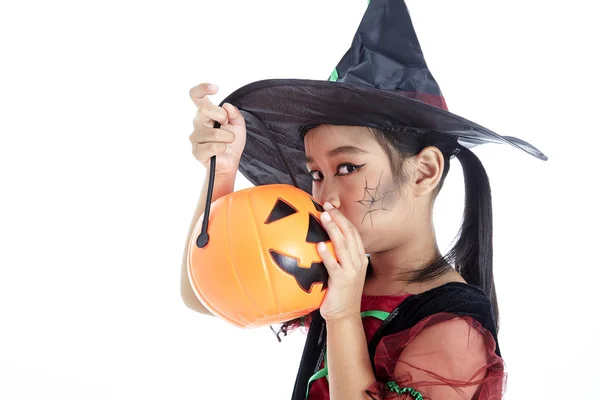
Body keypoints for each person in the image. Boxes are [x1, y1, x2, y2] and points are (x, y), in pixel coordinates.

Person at [180, 1, 547, 399]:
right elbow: (204, 294)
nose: (323, 197)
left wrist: (341, 315)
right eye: (316, 174)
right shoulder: (335, 272)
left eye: (347, 168)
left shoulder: (452, 328)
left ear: (424, 171)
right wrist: (222, 171)